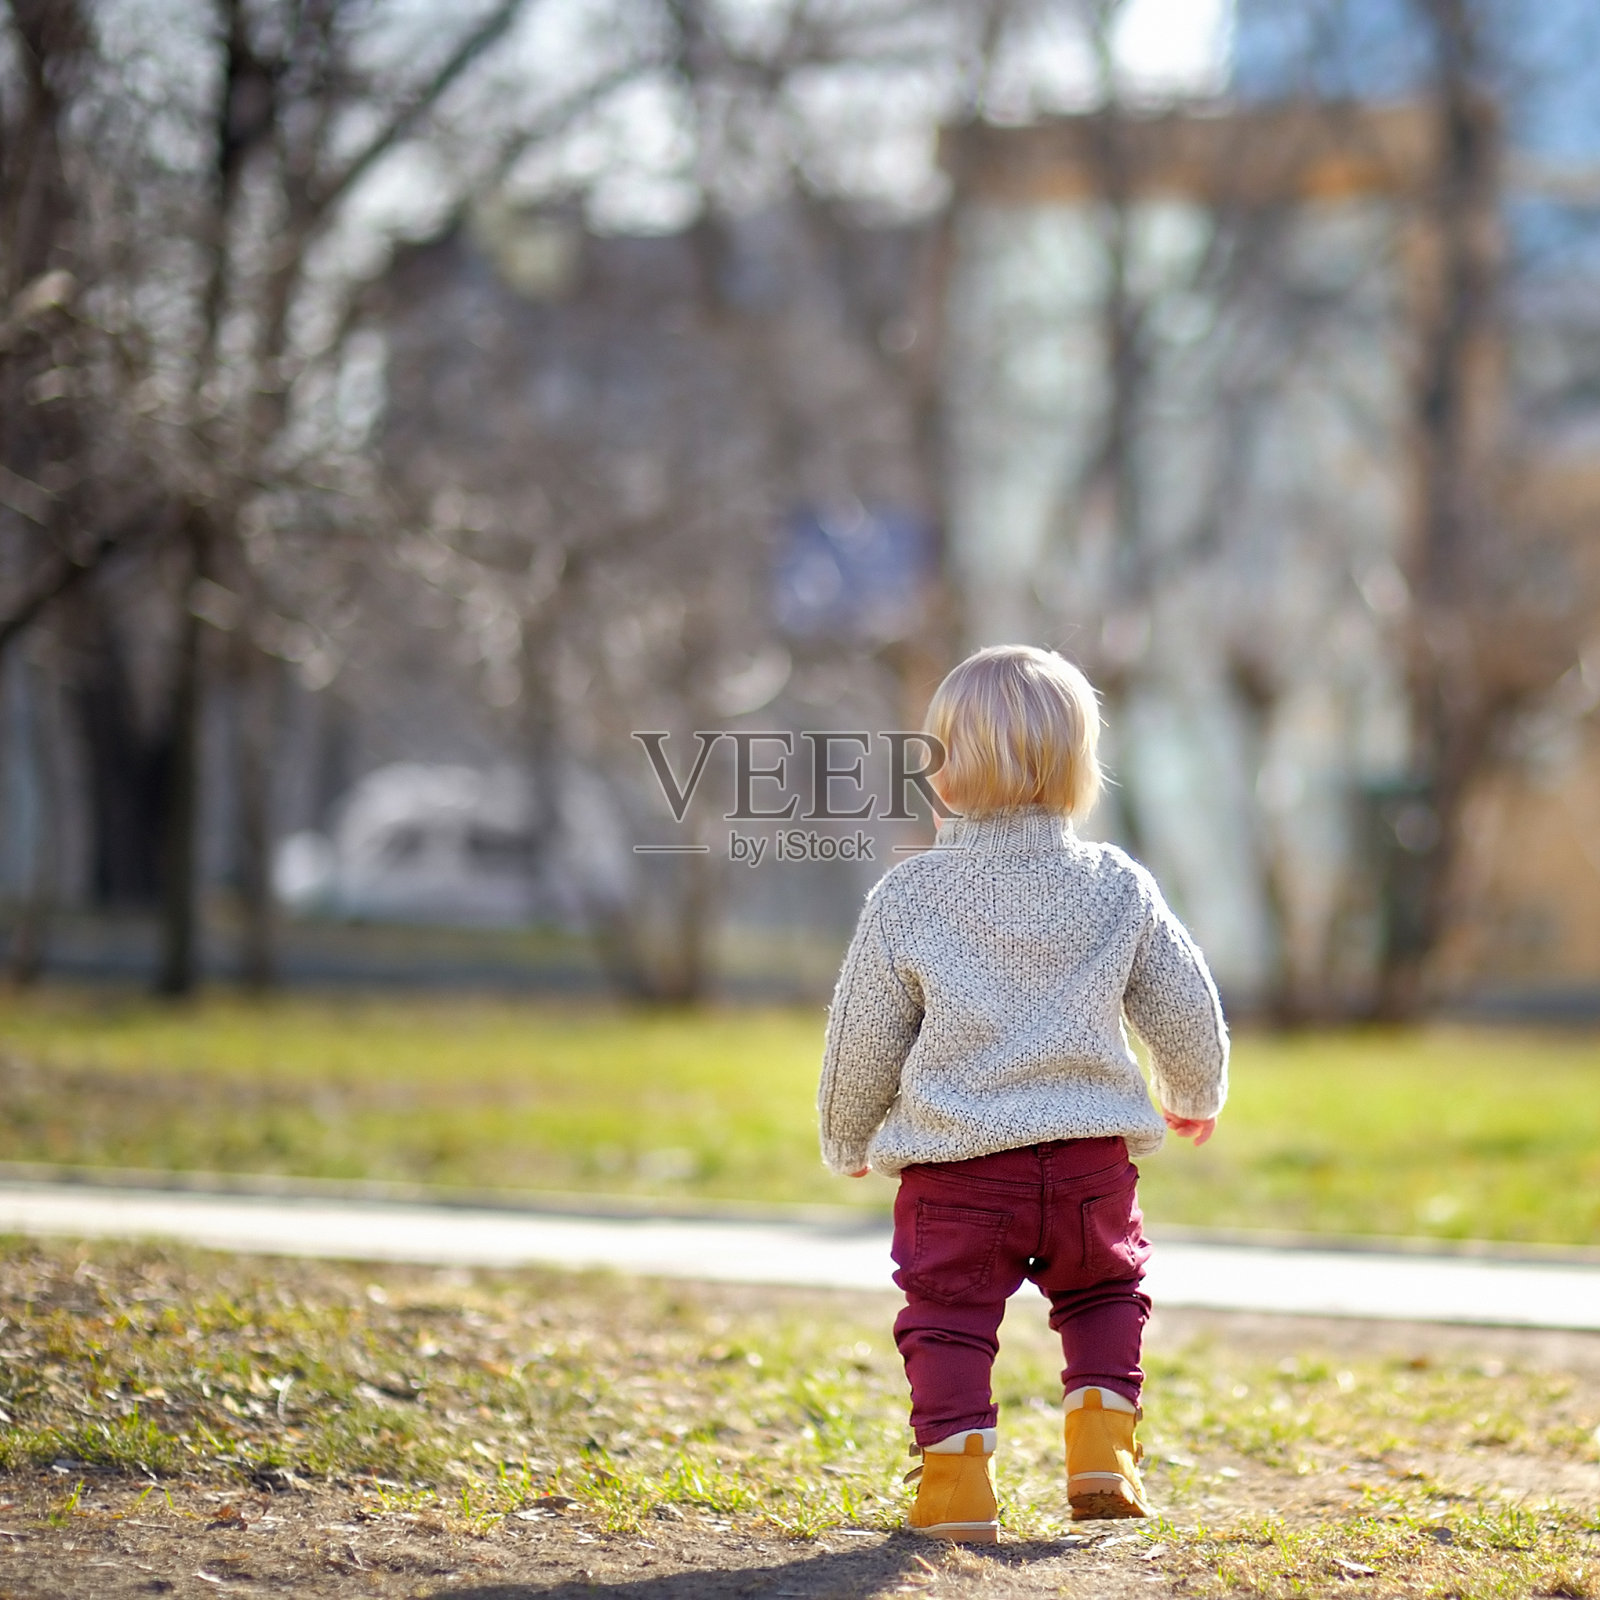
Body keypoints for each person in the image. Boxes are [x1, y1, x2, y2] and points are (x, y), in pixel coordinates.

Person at [817, 643, 1228, 1543]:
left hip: (957, 1171)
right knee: (1105, 1293)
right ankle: (1100, 1448)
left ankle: (958, 1487)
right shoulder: (1116, 884)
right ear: (1079, 772)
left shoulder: (909, 896)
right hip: (1089, 1165)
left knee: (950, 1315)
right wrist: (1194, 1090)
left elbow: (862, 1041)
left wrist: (847, 1138)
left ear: (946, 776)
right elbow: (1185, 1004)